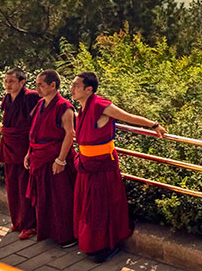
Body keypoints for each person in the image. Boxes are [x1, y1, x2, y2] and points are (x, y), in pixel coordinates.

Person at [70, 72, 166, 263]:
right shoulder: (81, 107)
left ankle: (106, 245)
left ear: (89, 89)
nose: (72, 89)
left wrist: (153, 124)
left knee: (100, 207)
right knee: (87, 206)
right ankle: (90, 242)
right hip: (86, 164)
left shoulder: (100, 105)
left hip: (102, 166)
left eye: (76, 86)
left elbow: (127, 117)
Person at [25, 69, 77, 248]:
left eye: (41, 85)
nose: (37, 88)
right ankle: (50, 232)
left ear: (53, 85)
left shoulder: (64, 106)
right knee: (44, 198)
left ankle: (67, 235)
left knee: (61, 198)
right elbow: (34, 131)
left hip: (56, 158)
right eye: (37, 84)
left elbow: (69, 134)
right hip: (39, 156)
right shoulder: (40, 103)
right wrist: (28, 153)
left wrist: (61, 160)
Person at [0, 69, 39, 240]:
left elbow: (37, 122)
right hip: (10, 145)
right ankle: (18, 220)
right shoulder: (7, 98)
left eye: (11, 81)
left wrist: (31, 149)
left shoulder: (31, 97)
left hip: (24, 147)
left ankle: (30, 225)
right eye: (6, 81)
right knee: (12, 184)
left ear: (22, 82)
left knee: (25, 186)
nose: (8, 85)